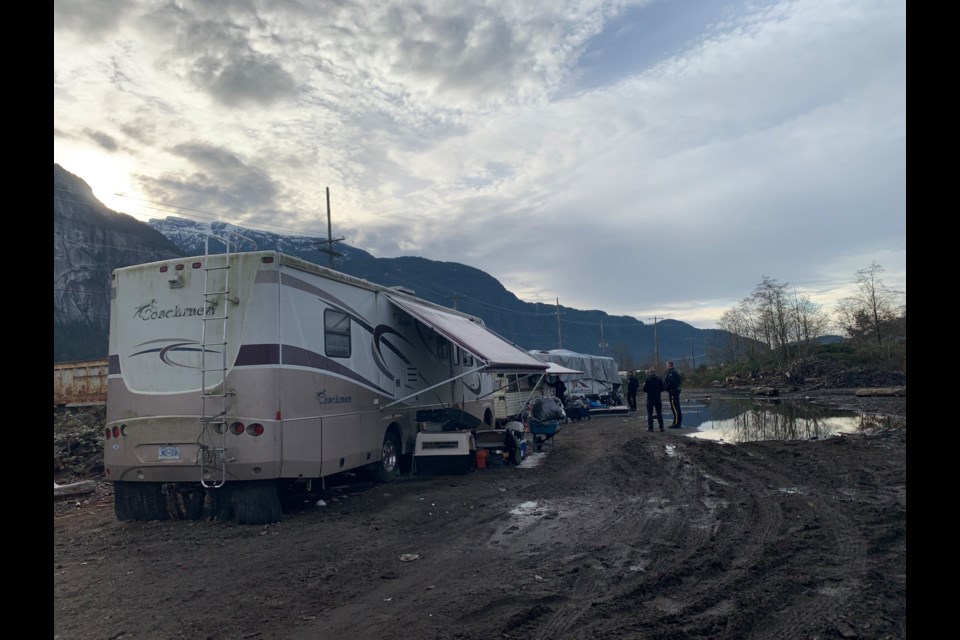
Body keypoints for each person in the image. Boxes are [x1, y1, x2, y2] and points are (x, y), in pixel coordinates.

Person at [641, 367, 665, 432]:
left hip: (650, 398)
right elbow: (662, 388)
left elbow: (644, 389)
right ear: (655, 372)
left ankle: (650, 428)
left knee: (650, 413)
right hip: (657, 397)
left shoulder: (647, 379)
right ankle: (661, 427)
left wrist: (648, 390)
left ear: (649, 372)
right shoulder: (659, 379)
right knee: (659, 413)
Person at [664, 360, 683, 428]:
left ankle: (676, 423)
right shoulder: (676, 372)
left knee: (675, 407)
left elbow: (671, 383)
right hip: (676, 391)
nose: (666, 366)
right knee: (676, 407)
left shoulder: (671, 373)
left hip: (673, 392)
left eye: (667, 365)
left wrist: (664, 388)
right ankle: (677, 422)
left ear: (669, 365)